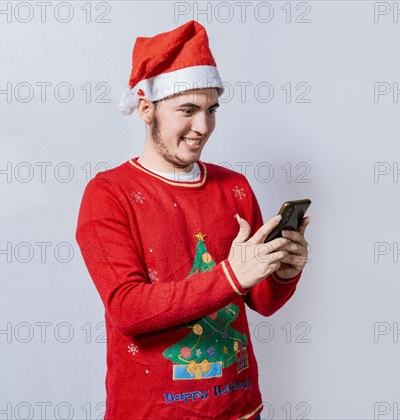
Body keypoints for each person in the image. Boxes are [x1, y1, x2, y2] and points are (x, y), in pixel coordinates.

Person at [75, 20, 310, 420]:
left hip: (239, 407)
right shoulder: (109, 193)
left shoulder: (234, 187)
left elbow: (261, 303)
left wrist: (283, 271)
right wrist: (233, 275)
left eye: (210, 110)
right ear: (146, 108)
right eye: (187, 110)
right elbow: (127, 310)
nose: (202, 127)